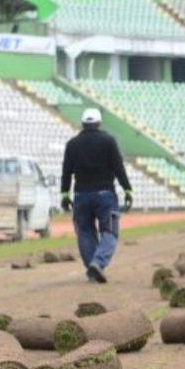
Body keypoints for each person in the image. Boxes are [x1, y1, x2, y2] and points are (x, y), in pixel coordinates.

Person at [60, 108, 133, 284]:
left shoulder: (72, 144)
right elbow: (118, 167)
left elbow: (66, 172)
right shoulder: (108, 141)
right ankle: (98, 263)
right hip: (105, 193)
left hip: (81, 194)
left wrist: (64, 194)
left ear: (83, 124)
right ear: (99, 123)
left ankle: (92, 266)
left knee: (85, 231)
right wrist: (127, 189)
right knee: (109, 231)